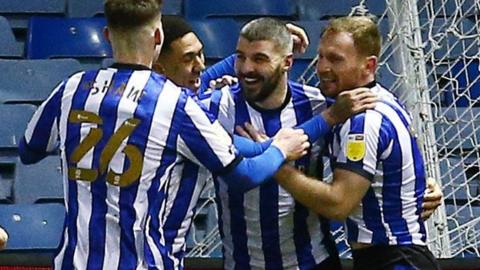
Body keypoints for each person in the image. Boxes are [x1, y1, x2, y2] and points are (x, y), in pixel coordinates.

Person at [18, 1, 314, 268]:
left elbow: (28, 150)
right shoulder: (176, 105)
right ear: (158, 39)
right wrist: (280, 148)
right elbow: (244, 175)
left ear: (107, 36)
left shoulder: (72, 87)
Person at [197, 18, 378, 270]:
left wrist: (421, 186)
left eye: (259, 59)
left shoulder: (319, 105)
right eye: (240, 57)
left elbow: (368, 159)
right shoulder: (216, 107)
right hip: (242, 264)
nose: (246, 68)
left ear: (287, 63)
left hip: (314, 263)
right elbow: (174, 96)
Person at [269, 16, 441, 270]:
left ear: (368, 66)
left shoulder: (363, 120)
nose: (322, 67)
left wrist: (276, 168)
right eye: (322, 57)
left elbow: (338, 204)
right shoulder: (379, 99)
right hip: (394, 255)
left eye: (336, 59)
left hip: (395, 259)